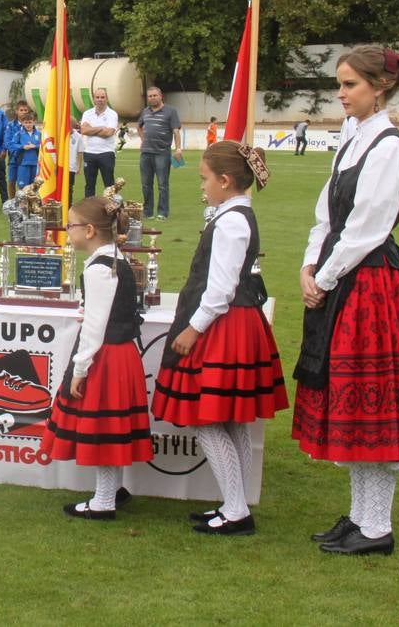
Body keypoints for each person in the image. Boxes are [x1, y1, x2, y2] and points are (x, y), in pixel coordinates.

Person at [292, 45, 399, 556]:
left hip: (369, 287)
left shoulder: (390, 146)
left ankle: (377, 527)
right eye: (341, 83)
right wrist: (310, 266)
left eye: (350, 84)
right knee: (350, 406)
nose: (342, 93)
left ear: (380, 87)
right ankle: (359, 516)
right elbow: (326, 215)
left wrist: (324, 276)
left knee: (369, 408)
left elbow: (367, 228)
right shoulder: (353, 140)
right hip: (341, 280)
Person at [151, 142, 286, 536]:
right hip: (236, 321)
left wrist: (194, 327)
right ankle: (235, 503)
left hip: (224, 325)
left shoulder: (231, 221)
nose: (202, 187)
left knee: (208, 419)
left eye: (205, 179)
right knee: (231, 420)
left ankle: (236, 508)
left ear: (225, 181)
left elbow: (221, 287)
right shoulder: (235, 213)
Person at [40, 193, 152, 518]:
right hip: (121, 352)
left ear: (89, 230)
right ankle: (112, 490)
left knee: (103, 425)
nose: (67, 230)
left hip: (107, 356)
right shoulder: (115, 259)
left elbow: (95, 326)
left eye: (71, 225)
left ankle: (103, 500)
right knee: (112, 424)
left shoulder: (99, 268)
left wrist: (79, 368)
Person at [136, 86, 183, 219]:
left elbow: (176, 131)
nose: (152, 98)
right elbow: (139, 126)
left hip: (162, 153)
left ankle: (163, 213)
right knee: (146, 185)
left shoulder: (171, 111)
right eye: (150, 96)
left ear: (161, 96)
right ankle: (148, 212)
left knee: (162, 185)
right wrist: (142, 140)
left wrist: (178, 148)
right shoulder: (145, 111)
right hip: (146, 153)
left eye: (154, 95)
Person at [79, 88, 119, 197]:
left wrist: (91, 129)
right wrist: (101, 128)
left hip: (106, 153)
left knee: (109, 185)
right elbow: (83, 130)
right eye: (97, 97)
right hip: (89, 153)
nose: (100, 99)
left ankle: (112, 211)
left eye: (102, 97)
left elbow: (109, 132)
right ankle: (89, 211)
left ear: (106, 98)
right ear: (94, 99)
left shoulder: (112, 114)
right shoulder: (87, 113)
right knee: (89, 185)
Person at [9, 111, 41, 188]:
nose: (28, 125)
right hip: (23, 163)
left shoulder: (39, 134)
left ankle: (33, 200)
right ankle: (22, 200)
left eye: (30, 122)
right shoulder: (19, 134)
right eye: (26, 122)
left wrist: (35, 146)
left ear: (34, 122)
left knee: (34, 186)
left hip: (35, 163)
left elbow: (44, 146)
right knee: (23, 187)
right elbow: (12, 145)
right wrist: (22, 147)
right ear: (23, 123)